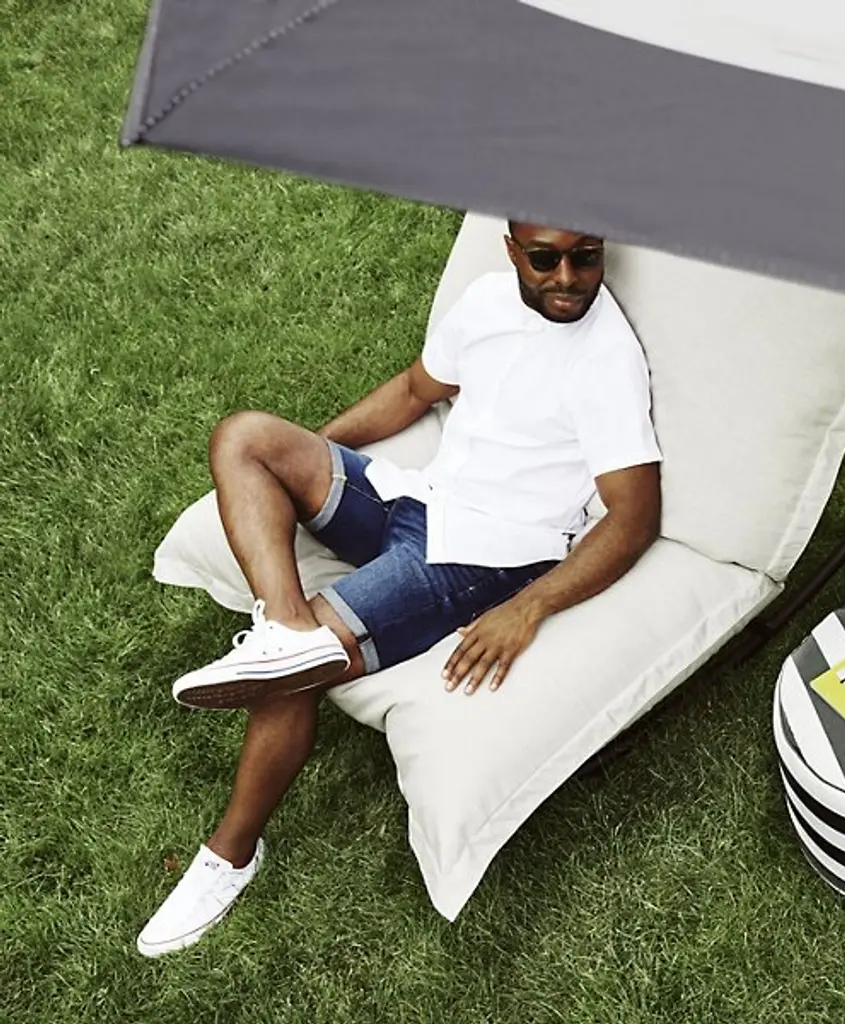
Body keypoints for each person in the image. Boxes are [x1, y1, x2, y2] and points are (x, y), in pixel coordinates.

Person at [136, 221, 663, 957]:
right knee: (245, 437)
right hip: (420, 498)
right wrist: (312, 458)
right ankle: (284, 628)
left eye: (587, 256)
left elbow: (634, 519)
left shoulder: (606, 359)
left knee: (292, 677)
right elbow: (417, 389)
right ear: (513, 251)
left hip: (483, 557)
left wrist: (527, 606)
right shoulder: (487, 302)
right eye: (546, 259)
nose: (569, 278)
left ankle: (231, 854)